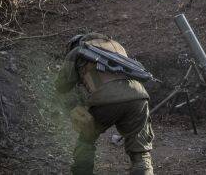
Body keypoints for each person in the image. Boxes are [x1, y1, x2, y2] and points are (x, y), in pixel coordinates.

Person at [55, 32, 154, 175]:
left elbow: (62, 85)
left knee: (86, 138)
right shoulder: (116, 46)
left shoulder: (77, 51)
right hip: (138, 96)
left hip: (107, 98)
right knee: (140, 148)